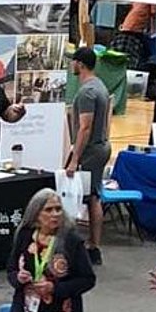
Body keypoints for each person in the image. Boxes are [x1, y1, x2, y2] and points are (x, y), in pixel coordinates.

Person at [5, 189, 96, 312]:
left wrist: (54, 288)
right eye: (48, 210)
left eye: (58, 209)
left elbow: (87, 279)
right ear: (36, 214)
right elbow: (11, 270)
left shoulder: (71, 241)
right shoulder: (25, 235)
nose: (55, 214)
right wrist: (18, 278)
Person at [65, 47, 112, 265]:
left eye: (73, 61)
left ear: (80, 64)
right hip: (101, 145)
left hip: (91, 150)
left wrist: (75, 158)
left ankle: (92, 247)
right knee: (93, 195)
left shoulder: (86, 92)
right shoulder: (100, 85)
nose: (71, 65)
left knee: (88, 197)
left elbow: (85, 127)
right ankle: (91, 244)